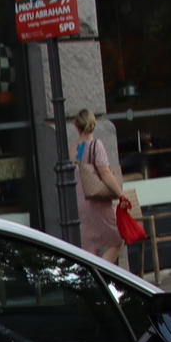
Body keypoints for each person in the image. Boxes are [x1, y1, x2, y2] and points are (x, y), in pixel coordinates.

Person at [70, 109, 136, 263]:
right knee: (118, 237)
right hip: (98, 201)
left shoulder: (73, 148)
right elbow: (105, 172)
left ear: (76, 126)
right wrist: (121, 194)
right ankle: (102, 273)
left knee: (91, 247)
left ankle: (93, 280)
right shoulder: (96, 145)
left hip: (82, 201)